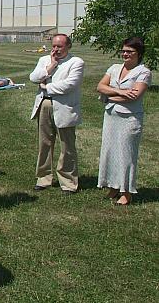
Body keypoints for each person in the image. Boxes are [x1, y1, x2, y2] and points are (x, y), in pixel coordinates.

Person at [96, 37, 152, 205]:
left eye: (130, 51)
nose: (125, 54)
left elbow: (134, 96)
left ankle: (126, 192)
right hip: (111, 116)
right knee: (110, 151)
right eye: (124, 51)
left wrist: (108, 96)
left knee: (126, 154)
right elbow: (100, 86)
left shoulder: (143, 72)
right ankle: (113, 186)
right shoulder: (114, 68)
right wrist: (120, 92)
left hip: (129, 118)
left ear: (138, 53)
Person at [29, 33, 84, 194]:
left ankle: (68, 182)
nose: (56, 49)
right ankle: (43, 178)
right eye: (53, 46)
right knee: (44, 143)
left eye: (59, 46)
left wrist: (46, 87)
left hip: (65, 106)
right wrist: (51, 66)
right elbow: (34, 77)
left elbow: (70, 84)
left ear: (68, 46)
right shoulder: (44, 60)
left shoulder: (76, 62)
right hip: (45, 104)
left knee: (67, 145)